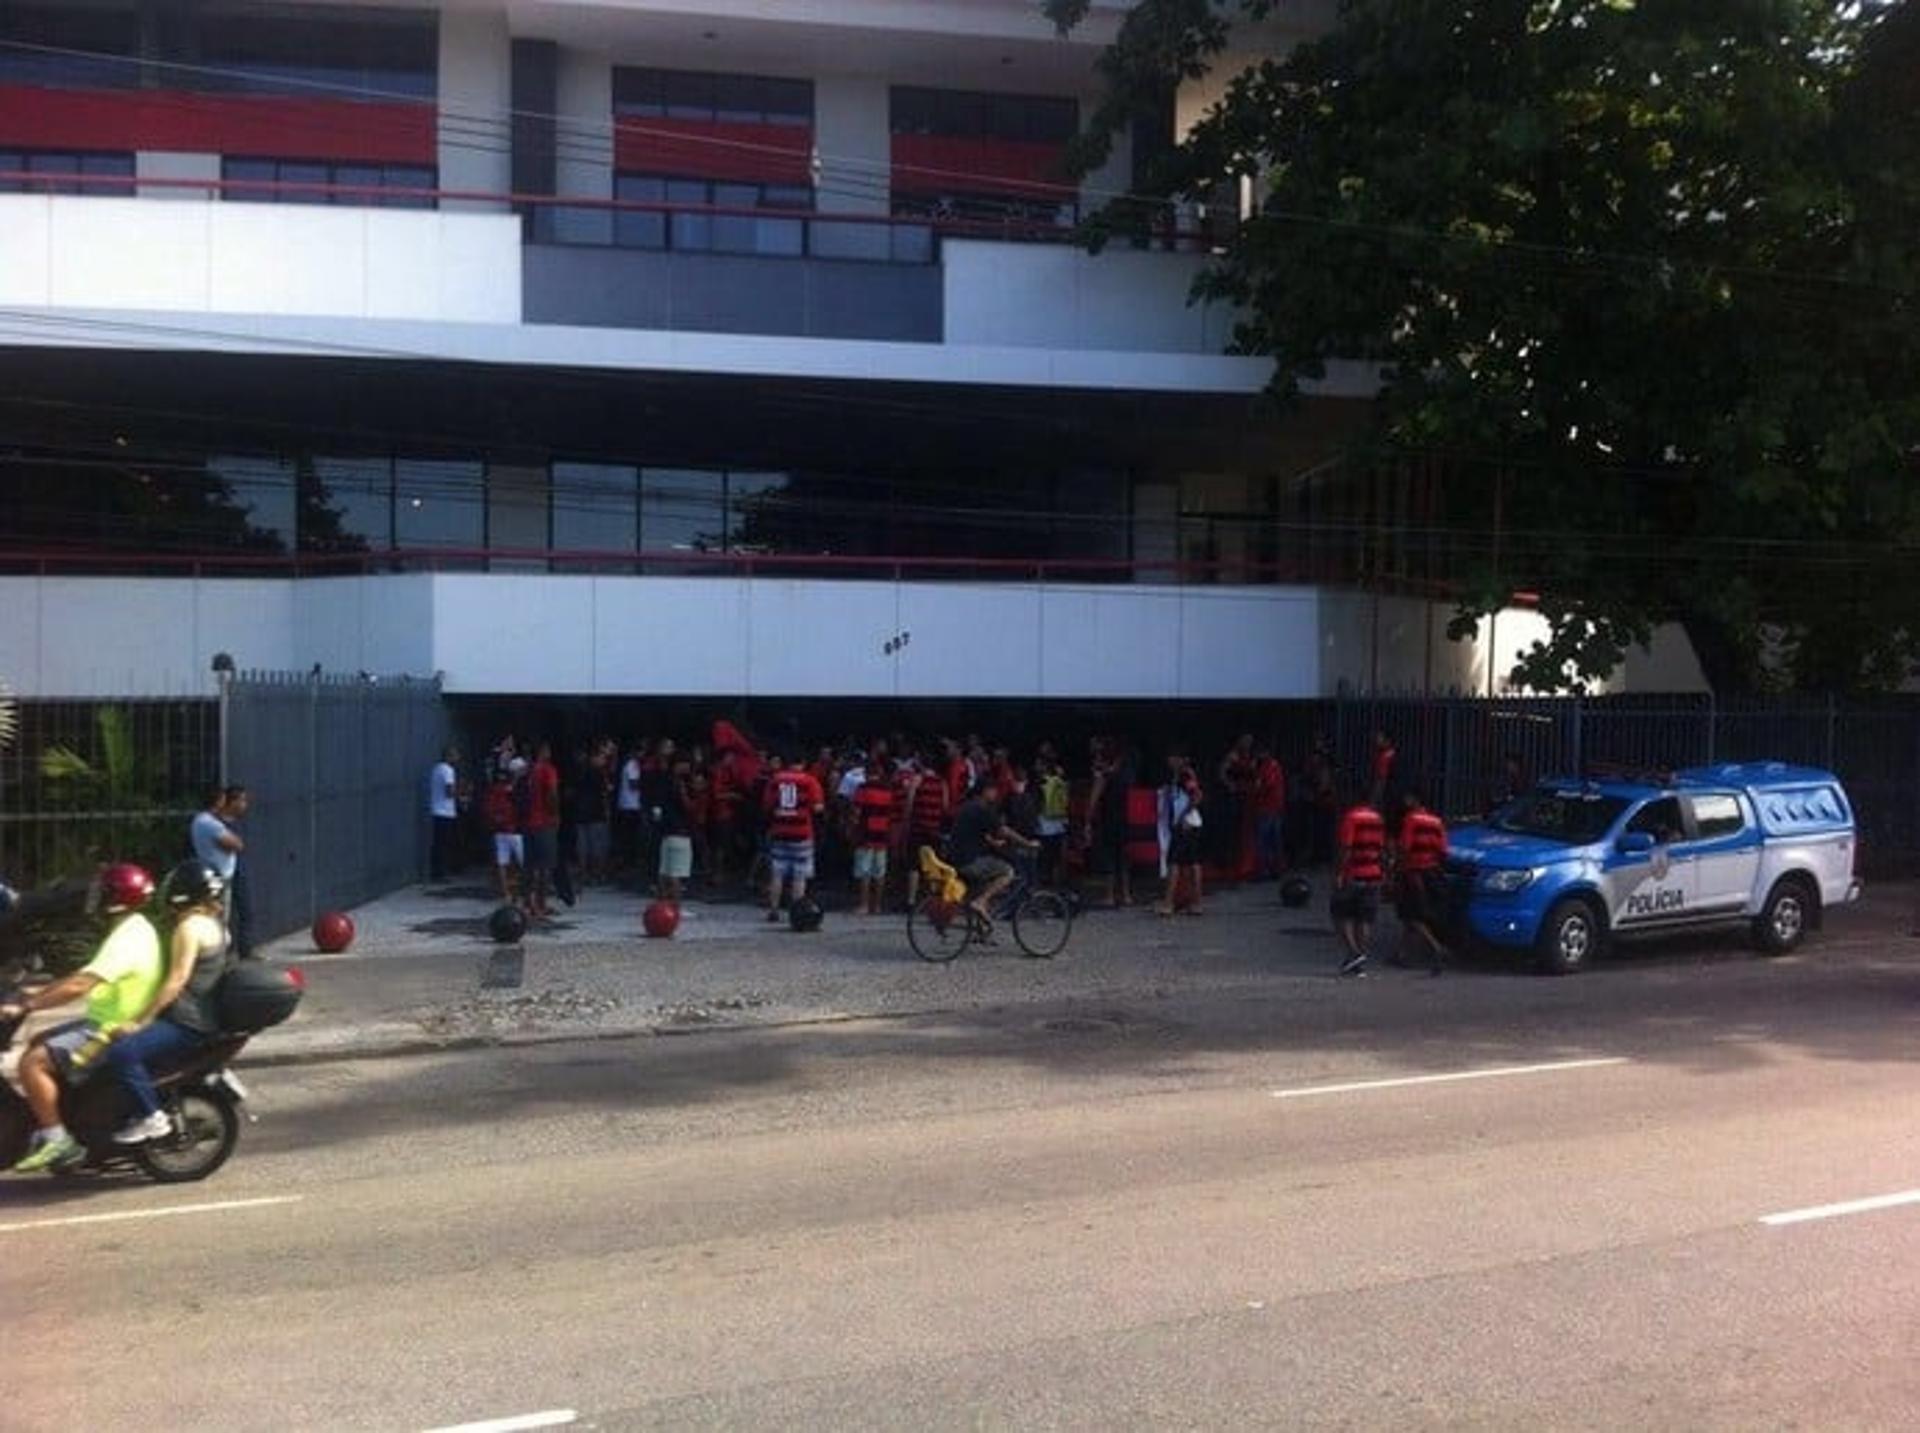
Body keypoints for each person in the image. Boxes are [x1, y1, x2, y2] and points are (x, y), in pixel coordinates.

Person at [1, 864, 162, 1172]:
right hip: (103, 1020)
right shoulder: (133, 928)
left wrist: (28, 1006)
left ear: (116, 898)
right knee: (39, 1041)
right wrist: (33, 993)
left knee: (32, 1063)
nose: (96, 898)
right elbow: (83, 975)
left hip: (109, 1029)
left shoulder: (127, 939)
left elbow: (81, 985)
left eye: (103, 893)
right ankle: (59, 1118)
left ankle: (59, 1140)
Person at [104, 861, 236, 1145]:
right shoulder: (217, 926)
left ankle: (152, 1117)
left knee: (122, 1053)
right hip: (202, 1020)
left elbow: (177, 980)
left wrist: (140, 1021)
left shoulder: (189, 927)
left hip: (186, 1024)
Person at [947, 777, 1035, 930]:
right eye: (993, 790)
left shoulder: (968, 807)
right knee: (1007, 872)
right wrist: (1028, 844)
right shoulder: (982, 809)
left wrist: (995, 843)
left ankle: (980, 929)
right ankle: (981, 902)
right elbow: (1003, 830)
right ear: (985, 791)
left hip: (957, 858)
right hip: (970, 861)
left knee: (985, 881)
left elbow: (980, 834)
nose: (996, 794)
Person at [762, 753, 825, 921]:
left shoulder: (775, 780)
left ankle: (773, 910)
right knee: (799, 875)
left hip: (779, 832)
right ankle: (796, 912)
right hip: (802, 833)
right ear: (803, 763)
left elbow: (767, 806)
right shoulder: (810, 781)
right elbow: (818, 808)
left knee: (777, 874)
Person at [1393, 790, 1451, 975]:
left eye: (1408, 797)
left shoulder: (1410, 820)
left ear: (1415, 799)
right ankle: (1401, 953)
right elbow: (1443, 850)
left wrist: (1397, 870)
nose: (1404, 800)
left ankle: (1437, 948)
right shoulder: (1436, 821)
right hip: (1432, 872)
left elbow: (1404, 847)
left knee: (1411, 914)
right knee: (1413, 914)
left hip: (1413, 872)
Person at [191, 784, 251, 957]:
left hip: (211, 873)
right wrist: (235, 839)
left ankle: (220, 953)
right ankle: (219, 956)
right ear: (218, 801)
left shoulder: (198, 820)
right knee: (220, 919)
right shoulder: (210, 824)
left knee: (218, 916)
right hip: (219, 876)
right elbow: (236, 844)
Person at [1333, 795, 1388, 977]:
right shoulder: (1378, 820)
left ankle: (1353, 953)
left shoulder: (1351, 818)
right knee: (1364, 919)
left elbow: (1346, 847)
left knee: (1341, 914)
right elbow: (1381, 848)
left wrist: (1339, 873)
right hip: (1373, 873)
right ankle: (1359, 963)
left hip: (1354, 873)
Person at [902, 752, 952, 912]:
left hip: (918, 827)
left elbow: (909, 804)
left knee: (914, 865)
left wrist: (906, 822)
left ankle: (911, 901)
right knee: (933, 865)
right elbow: (945, 806)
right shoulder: (942, 783)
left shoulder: (917, 780)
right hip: (934, 829)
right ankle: (932, 899)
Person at [1157, 753, 1206, 916]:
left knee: (1174, 862)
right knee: (1192, 862)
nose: (1169, 761)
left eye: (1173, 758)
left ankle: (1168, 903)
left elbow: (1196, 795)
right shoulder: (1178, 776)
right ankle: (1195, 902)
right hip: (1190, 823)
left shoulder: (1185, 775)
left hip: (1186, 824)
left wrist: (1184, 815)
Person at [852, 755, 896, 915]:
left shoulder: (862, 789)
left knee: (864, 871)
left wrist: (852, 829)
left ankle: (863, 904)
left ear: (865, 772)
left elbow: (856, 813)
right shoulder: (887, 790)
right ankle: (877, 906)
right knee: (879, 871)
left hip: (866, 834)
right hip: (882, 833)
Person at [524, 741, 562, 919]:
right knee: (545, 866)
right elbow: (552, 793)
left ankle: (527, 902)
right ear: (543, 751)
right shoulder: (548, 769)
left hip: (529, 822)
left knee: (530, 865)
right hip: (544, 822)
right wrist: (554, 814)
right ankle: (541, 903)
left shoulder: (528, 770)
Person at [484, 758, 528, 907]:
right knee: (524, 863)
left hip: (500, 830)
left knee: (502, 863)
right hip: (516, 830)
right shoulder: (518, 789)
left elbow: (488, 809)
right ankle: (522, 893)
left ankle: (507, 894)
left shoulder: (495, 789)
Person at [655, 758, 695, 903]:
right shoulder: (680, 784)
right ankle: (675, 908)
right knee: (676, 874)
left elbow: (657, 810)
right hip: (681, 833)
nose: (688, 766)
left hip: (667, 833)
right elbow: (689, 808)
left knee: (663, 872)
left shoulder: (663, 782)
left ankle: (660, 906)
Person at [1252, 745, 1287, 879]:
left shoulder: (1268, 766)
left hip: (1267, 807)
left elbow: (1266, 784)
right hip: (1274, 807)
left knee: (1265, 840)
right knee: (1273, 840)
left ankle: (1265, 870)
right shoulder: (1272, 766)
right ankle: (1274, 869)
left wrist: (1257, 786)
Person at [427, 745, 460, 882]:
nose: (458, 758)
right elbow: (449, 791)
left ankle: (436, 871)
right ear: (448, 756)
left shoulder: (436, 769)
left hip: (436, 810)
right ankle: (441, 873)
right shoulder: (448, 771)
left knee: (438, 843)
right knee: (444, 844)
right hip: (445, 811)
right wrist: (461, 793)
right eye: (455, 755)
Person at [1036, 757, 1070, 887]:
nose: (1036, 767)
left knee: (1045, 856)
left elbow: (1039, 803)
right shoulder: (1061, 782)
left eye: (1039, 765)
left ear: (1045, 768)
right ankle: (1058, 883)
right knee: (1057, 856)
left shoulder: (1042, 782)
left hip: (1045, 824)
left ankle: (1046, 882)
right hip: (1060, 824)